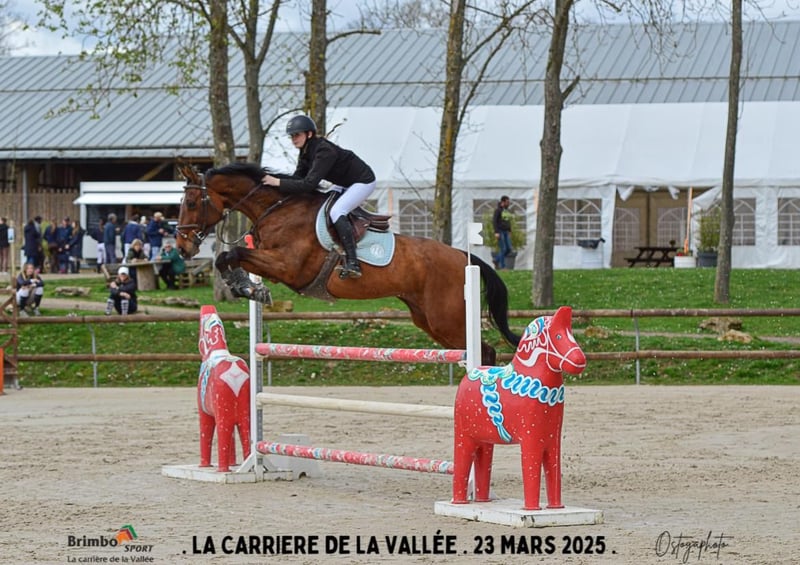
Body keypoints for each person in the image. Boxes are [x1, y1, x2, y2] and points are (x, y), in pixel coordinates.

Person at [261, 115, 376, 279]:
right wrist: (273, 183)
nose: (294, 139)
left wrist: (277, 182)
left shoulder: (324, 151)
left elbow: (309, 185)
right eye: (292, 136)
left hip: (362, 182)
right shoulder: (306, 152)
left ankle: (353, 262)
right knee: (321, 207)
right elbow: (298, 178)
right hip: (345, 182)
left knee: (337, 211)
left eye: (297, 135)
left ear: (309, 134)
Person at [492, 195, 514, 270]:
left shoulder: (506, 211)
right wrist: (496, 232)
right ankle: (503, 267)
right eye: (507, 202)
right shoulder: (498, 210)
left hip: (506, 231)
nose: (508, 203)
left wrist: (510, 230)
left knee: (508, 249)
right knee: (503, 249)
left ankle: (496, 260)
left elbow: (508, 221)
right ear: (503, 202)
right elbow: (494, 221)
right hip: (500, 231)